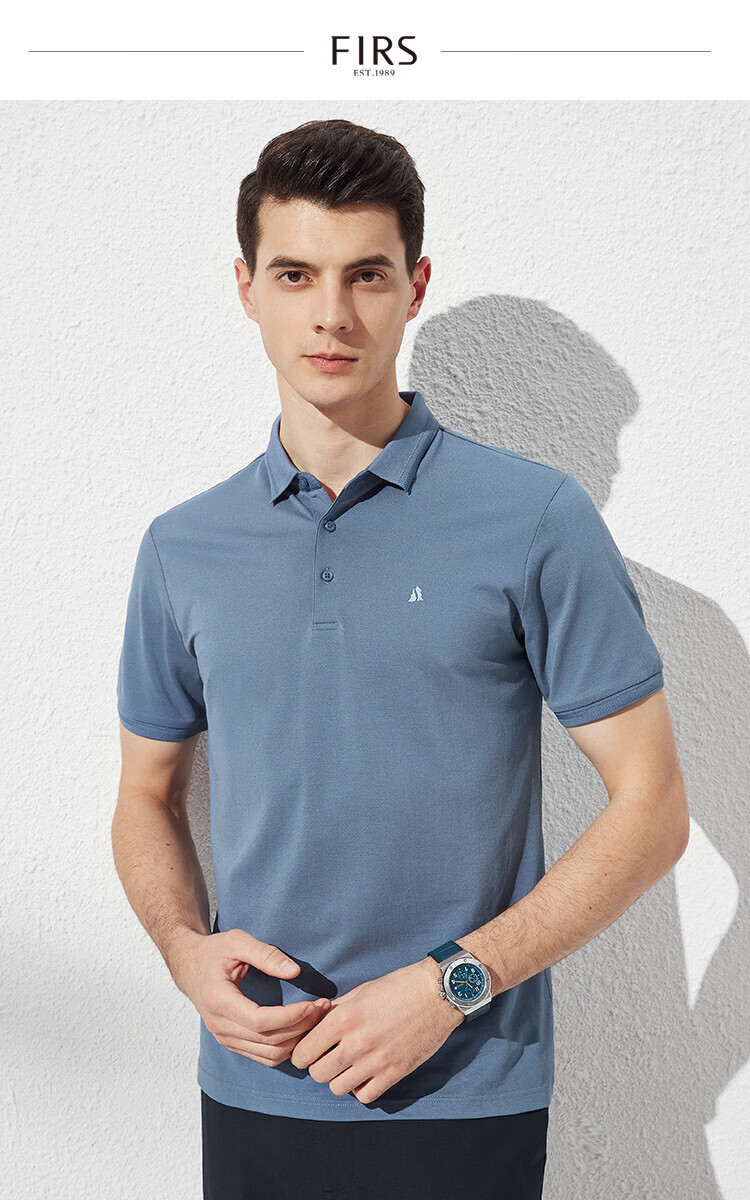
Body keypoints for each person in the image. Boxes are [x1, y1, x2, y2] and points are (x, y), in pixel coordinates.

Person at [112, 118, 690, 1200]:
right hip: (257, 1084)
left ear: (415, 286)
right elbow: (146, 796)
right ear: (246, 288)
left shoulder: (536, 519)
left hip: (468, 1089)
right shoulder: (182, 548)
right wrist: (186, 954)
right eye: (295, 274)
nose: (331, 314)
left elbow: (653, 810)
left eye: (366, 275)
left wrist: (451, 986)